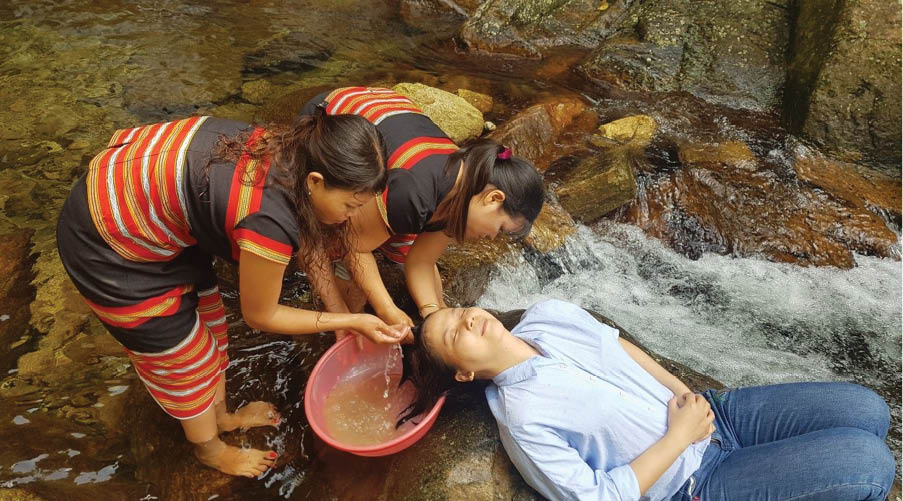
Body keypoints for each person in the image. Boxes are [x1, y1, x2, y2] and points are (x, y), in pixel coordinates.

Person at [56, 110, 410, 478]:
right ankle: (209, 450)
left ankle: (222, 418)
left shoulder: (297, 153)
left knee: (211, 321)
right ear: (316, 182)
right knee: (185, 357)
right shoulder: (267, 221)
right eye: (351, 205)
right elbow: (260, 315)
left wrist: (340, 317)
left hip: (147, 208)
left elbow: (306, 239)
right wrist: (352, 319)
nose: (352, 216)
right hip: (106, 243)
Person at [399, 299, 896, 500]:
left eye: (459, 311)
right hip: (694, 481)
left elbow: (619, 347)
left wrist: (684, 392)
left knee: (869, 409)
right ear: (464, 373)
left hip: (716, 414)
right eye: (455, 333)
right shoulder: (522, 420)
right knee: (870, 465)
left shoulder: (548, 315)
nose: (469, 319)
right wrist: (680, 436)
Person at [299, 87, 545, 327]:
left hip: (387, 113)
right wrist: (387, 310)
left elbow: (422, 261)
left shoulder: (465, 188)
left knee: (400, 241)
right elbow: (356, 249)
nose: (491, 237)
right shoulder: (413, 192)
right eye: (500, 228)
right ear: (493, 198)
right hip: (333, 114)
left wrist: (434, 314)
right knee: (344, 248)